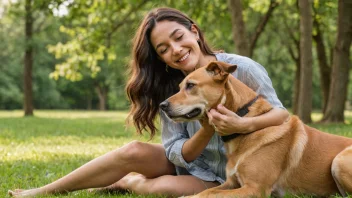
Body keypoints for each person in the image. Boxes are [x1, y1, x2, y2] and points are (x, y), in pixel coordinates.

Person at [9, 7, 289, 197]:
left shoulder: (240, 68)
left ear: (194, 31)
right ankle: (44, 191)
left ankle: (127, 181)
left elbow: (281, 115)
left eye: (179, 38)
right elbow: (178, 152)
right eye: (164, 50)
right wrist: (207, 128)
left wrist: (242, 123)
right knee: (132, 150)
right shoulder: (172, 87)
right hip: (193, 162)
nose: (176, 51)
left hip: (223, 175)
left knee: (156, 189)